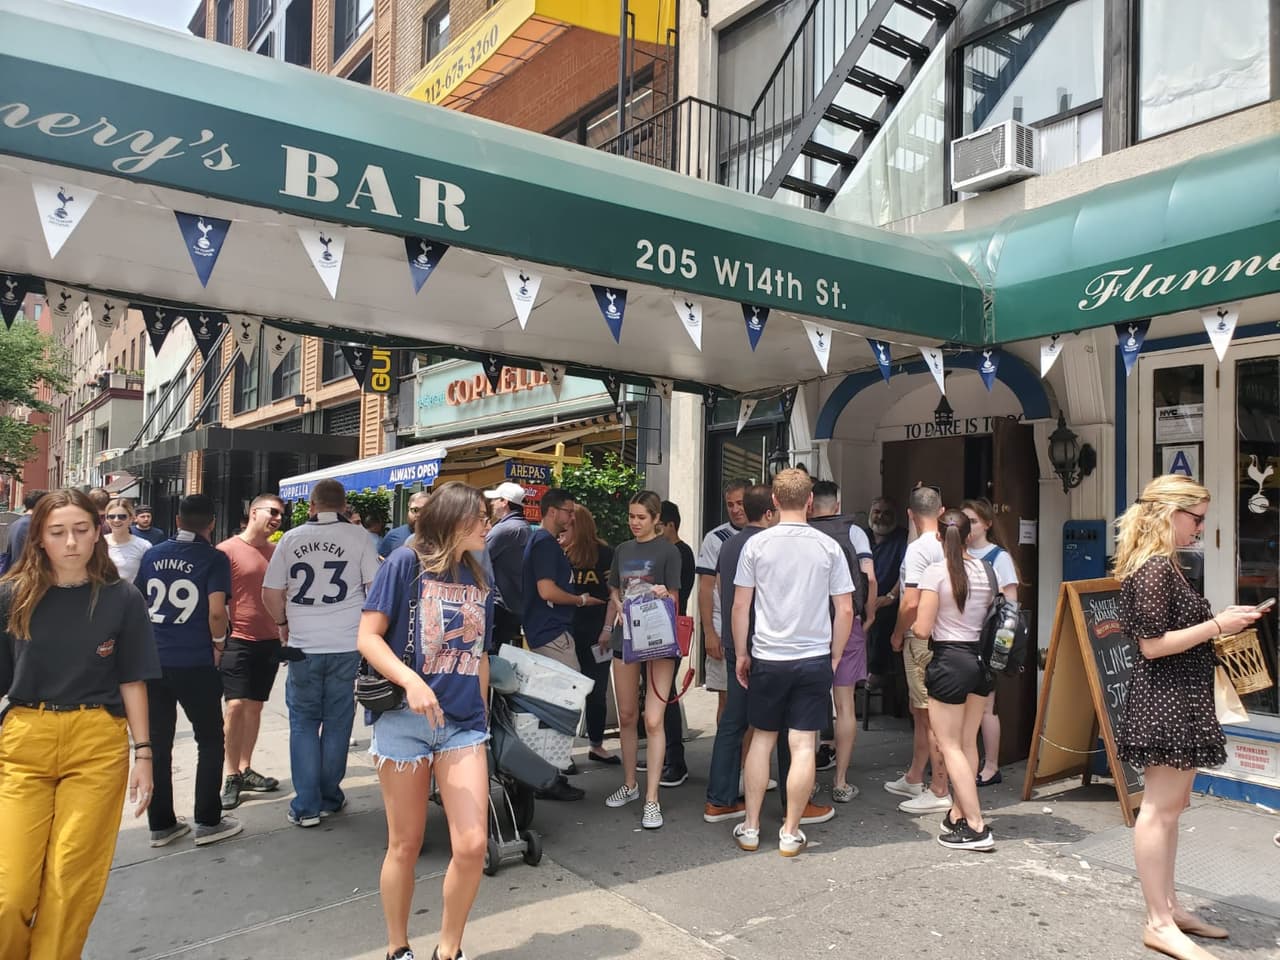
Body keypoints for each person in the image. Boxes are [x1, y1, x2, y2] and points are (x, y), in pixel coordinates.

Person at [0, 488, 160, 959]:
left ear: (98, 533)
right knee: (10, 891)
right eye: (57, 532)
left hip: (97, 742)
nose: (70, 541)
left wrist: (144, 754)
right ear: (39, 539)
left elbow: (133, 678)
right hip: (25, 736)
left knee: (70, 885)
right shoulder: (12, 594)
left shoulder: (122, 598)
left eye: (80, 529)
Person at [1113, 475, 1260, 960]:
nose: (1200, 527)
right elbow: (1152, 646)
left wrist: (1220, 623)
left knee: (1171, 810)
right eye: (1195, 518)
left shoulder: (1163, 565)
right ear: (1168, 513)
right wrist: (1219, 624)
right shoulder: (1155, 568)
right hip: (1166, 699)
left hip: (1177, 698)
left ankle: (1169, 908)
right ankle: (1158, 921)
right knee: (1158, 811)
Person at [359, 481, 494, 960]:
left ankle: (449, 950)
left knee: (473, 844)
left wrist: (482, 716)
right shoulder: (404, 563)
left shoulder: (478, 573)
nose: (488, 524)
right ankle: (398, 948)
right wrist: (411, 682)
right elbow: (369, 637)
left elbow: (479, 655)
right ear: (455, 519)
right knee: (405, 844)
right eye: (481, 516)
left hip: (462, 723)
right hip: (403, 722)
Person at [731, 469, 853, 857]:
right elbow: (845, 608)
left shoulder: (756, 546)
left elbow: (740, 605)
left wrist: (742, 652)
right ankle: (790, 830)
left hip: (768, 654)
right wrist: (835, 654)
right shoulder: (828, 546)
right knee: (803, 745)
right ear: (811, 502)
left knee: (762, 740)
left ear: (774, 503)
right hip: (813, 655)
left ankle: (750, 827)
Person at [263, 479, 380, 828]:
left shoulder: (291, 538)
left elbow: (271, 592)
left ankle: (306, 806)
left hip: (302, 645)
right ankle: (330, 796)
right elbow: (374, 589)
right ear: (344, 507)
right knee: (338, 722)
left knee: (303, 723)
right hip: (346, 643)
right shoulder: (360, 538)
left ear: (312, 505)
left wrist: (283, 621)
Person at [136, 493, 242, 848]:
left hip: (155, 660)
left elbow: (141, 603)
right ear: (211, 523)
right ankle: (208, 820)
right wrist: (218, 643)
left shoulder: (152, 554)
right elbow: (216, 610)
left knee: (159, 741)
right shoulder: (213, 558)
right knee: (210, 739)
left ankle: (162, 823)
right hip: (195, 660)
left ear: (178, 520)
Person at [911, 509, 997, 851]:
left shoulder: (936, 573)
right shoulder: (986, 570)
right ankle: (958, 814)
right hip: (981, 660)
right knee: (966, 743)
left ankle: (976, 825)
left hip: (949, 660)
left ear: (938, 537)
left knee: (949, 745)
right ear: (968, 535)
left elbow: (921, 626)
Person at [602, 490, 683, 829]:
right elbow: (614, 588)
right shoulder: (621, 550)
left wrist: (664, 593)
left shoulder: (669, 552)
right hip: (625, 637)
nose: (634, 522)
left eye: (641, 517)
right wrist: (615, 610)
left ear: (655, 519)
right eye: (632, 516)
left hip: (658, 637)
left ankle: (652, 799)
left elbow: (676, 600)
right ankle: (630, 783)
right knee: (627, 715)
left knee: (654, 719)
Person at [521, 487, 598, 801]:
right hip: (552, 631)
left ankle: (547, 774)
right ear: (552, 511)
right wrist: (580, 599)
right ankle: (549, 776)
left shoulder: (543, 542)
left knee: (555, 703)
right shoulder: (544, 543)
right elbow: (547, 591)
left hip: (546, 630)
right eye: (568, 510)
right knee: (564, 703)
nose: (572, 515)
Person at [704, 483, 774, 822]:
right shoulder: (764, 544)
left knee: (733, 720)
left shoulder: (728, 544)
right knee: (786, 724)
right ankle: (797, 803)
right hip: (762, 644)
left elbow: (720, 590)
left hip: (737, 642)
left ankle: (720, 797)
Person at [809, 480, 877, 803]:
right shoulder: (854, 532)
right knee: (845, 704)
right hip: (847, 622)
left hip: (809, 626)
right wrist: (870, 613)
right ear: (836, 504)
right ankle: (840, 781)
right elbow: (870, 575)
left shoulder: (802, 533)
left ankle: (806, 781)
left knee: (808, 704)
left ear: (811, 504)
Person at [886, 483, 952, 815]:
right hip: (947, 633)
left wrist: (898, 632)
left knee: (928, 713)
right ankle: (915, 774)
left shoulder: (917, 549)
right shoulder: (951, 545)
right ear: (941, 512)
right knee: (921, 710)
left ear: (910, 515)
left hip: (921, 635)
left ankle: (939, 786)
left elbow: (910, 601)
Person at [217, 493, 285, 810]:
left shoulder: (277, 552)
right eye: (272, 512)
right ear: (253, 511)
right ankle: (230, 775)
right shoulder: (227, 551)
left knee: (255, 708)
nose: (277, 519)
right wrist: (217, 639)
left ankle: (245, 767)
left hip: (269, 641)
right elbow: (215, 600)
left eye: (281, 515)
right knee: (234, 706)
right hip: (237, 640)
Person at [961, 498, 1019, 787]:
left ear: (986, 523)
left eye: (973, 521)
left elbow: (1011, 604)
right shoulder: (957, 553)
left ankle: (992, 765)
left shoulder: (999, 557)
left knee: (986, 707)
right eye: (965, 521)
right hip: (962, 636)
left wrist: (1001, 647)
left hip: (986, 639)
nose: (968, 527)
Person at [564, 503, 618, 765]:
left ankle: (596, 745)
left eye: (569, 524)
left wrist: (608, 628)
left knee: (597, 691)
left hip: (598, 634)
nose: (564, 529)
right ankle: (564, 750)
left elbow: (613, 595)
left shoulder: (604, 553)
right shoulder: (559, 553)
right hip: (567, 634)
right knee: (567, 691)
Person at [696, 480, 749, 719]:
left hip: (756, 628)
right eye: (730, 505)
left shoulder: (768, 533)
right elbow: (705, 588)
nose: (736, 509)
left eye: (740, 503)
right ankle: (728, 754)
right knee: (726, 700)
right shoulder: (715, 538)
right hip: (721, 625)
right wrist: (709, 632)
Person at [653, 499, 694, 786]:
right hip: (656, 630)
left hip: (669, 629)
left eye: (657, 527)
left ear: (669, 525)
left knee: (665, 695)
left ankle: (675, 760)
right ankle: (665, 755)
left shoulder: (680, 553)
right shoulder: (667, 551)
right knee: (659, 694)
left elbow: (677, 593)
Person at [484, 481, 530, 653]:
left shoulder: (504, 529)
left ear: (504, 502)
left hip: (499, 605)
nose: (491, 504)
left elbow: (478, 558)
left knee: (490, 654)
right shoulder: (524, 527)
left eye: (495, 500)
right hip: (515, 604)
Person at [867, 497, 908, 685]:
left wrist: (890, 597)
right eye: (877, 512)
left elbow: (907, 572)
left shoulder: (903, 538)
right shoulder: (861, 536)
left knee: (882, 619)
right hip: (862, 599)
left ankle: (877, 672)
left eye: (886, 513)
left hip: (890, 600)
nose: (880, 517)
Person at [105, 498, 154, 583]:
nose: (116, 520)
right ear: (107, 519)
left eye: (122, 517)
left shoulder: (144, 546)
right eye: (112, 516)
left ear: (131, 519)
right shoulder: (98, 543)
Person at [1, 489, 47, 571]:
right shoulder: (32, 525)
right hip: (27, 574)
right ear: (41, 505)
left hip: (16, 572)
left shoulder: (15, 524)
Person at [380, 490, 429, 558]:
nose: (419, 515)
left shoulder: (439, 537)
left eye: (424, 511)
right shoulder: (393, 536)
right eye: (415, 510)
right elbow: (381, 561)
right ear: (408, 510)